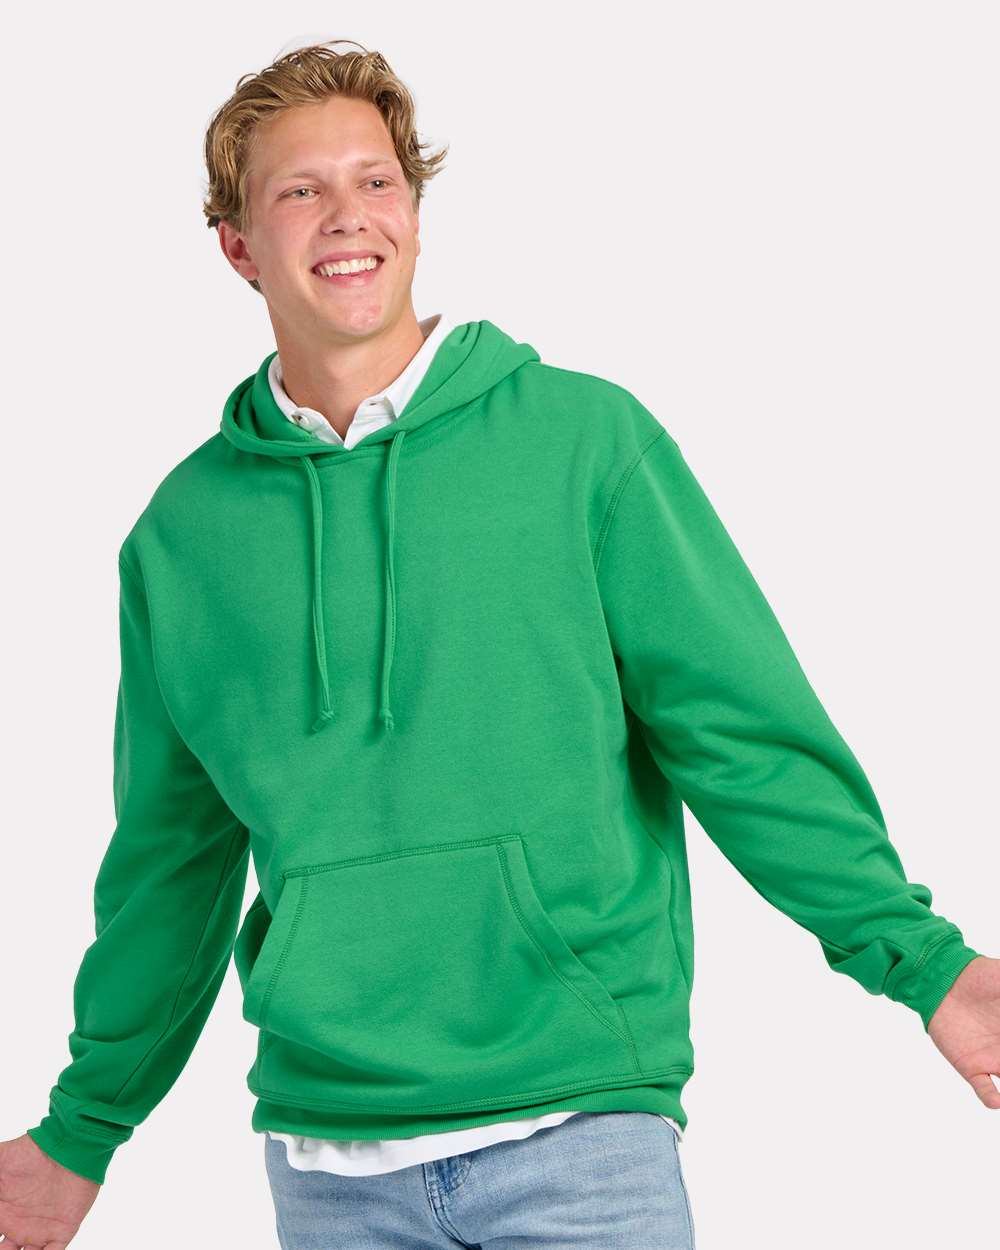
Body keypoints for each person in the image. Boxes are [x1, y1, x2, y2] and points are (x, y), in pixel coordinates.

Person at [2, 37, 996, 1250]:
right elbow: (170, 862)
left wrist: (919, 959)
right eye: (299, 190)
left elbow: (741, 737)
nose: (347, 215)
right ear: (237, 244)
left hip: (581, 1131)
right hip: (327, 1165)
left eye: (375, 180)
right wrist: (83, 1126)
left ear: (414, 214)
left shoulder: (582, 443)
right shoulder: (183, 538)